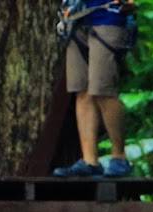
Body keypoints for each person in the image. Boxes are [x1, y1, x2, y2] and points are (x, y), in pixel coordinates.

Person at [52, 0, 133, 178]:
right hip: (75, 18)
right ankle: (89, 160)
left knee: (103, 90)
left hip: (108, 16)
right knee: (82, 91)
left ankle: (119, 157)